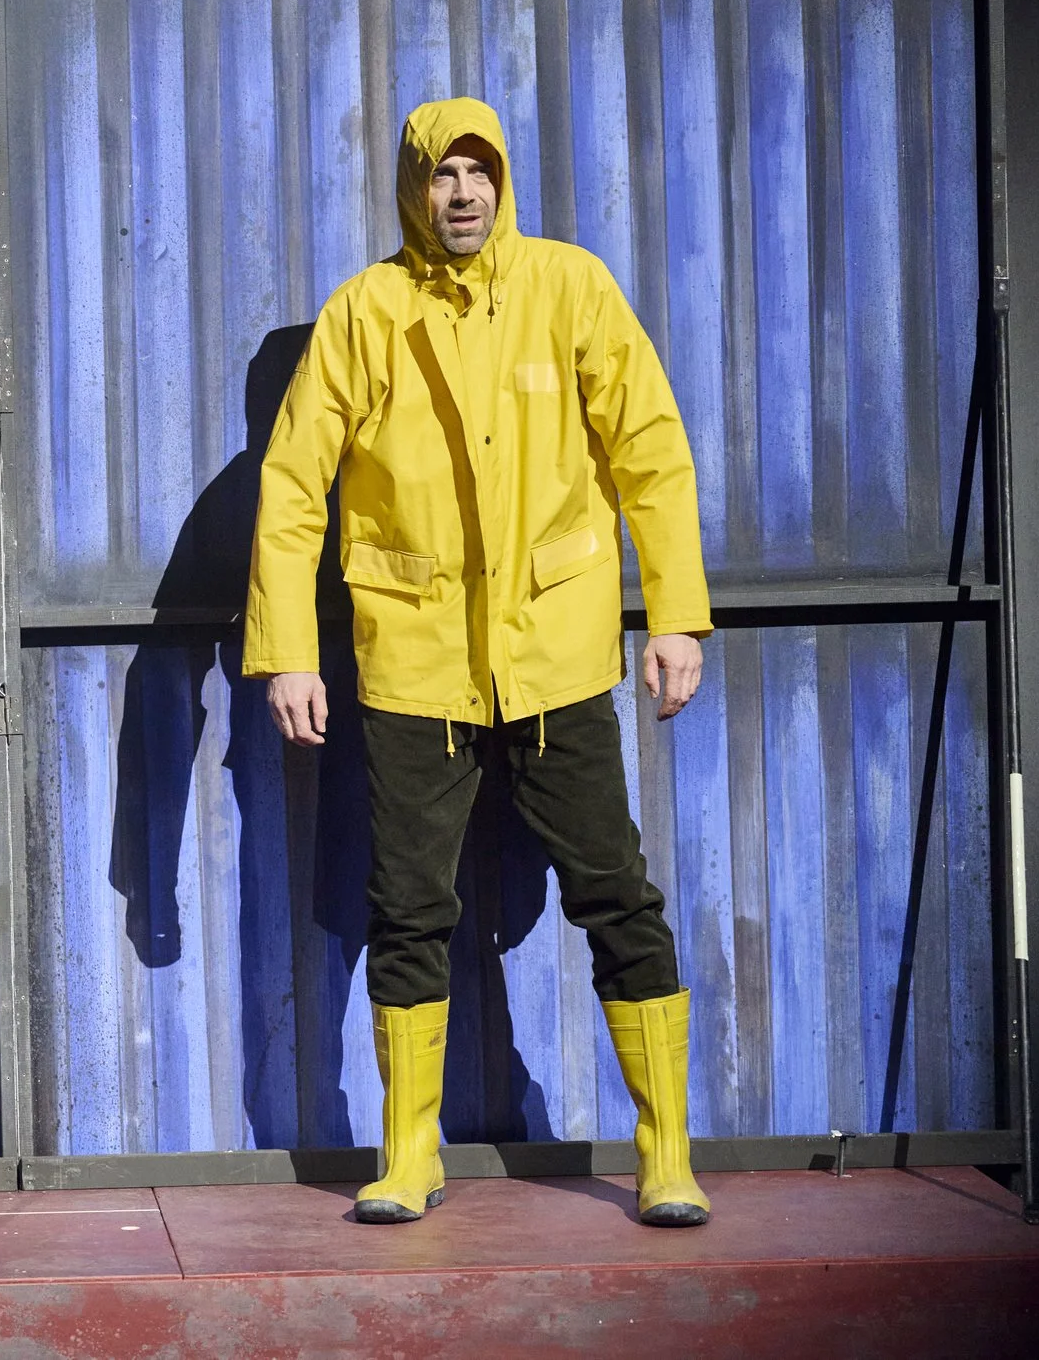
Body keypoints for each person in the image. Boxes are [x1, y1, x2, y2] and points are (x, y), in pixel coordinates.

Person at [244, 97, 714, 1228]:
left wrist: (676, 617)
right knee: (406, 906)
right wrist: (285, 654)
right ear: (412, 188)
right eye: (441, 174)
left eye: (479, 171)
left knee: (615, 893)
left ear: (503, 181)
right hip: (412, 661)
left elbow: (649, 448)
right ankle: (410, 1154)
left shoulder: (569, 287)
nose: (462, 193)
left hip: (554, 654)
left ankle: (665, 1152)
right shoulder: (364, 312)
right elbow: (292, 489)